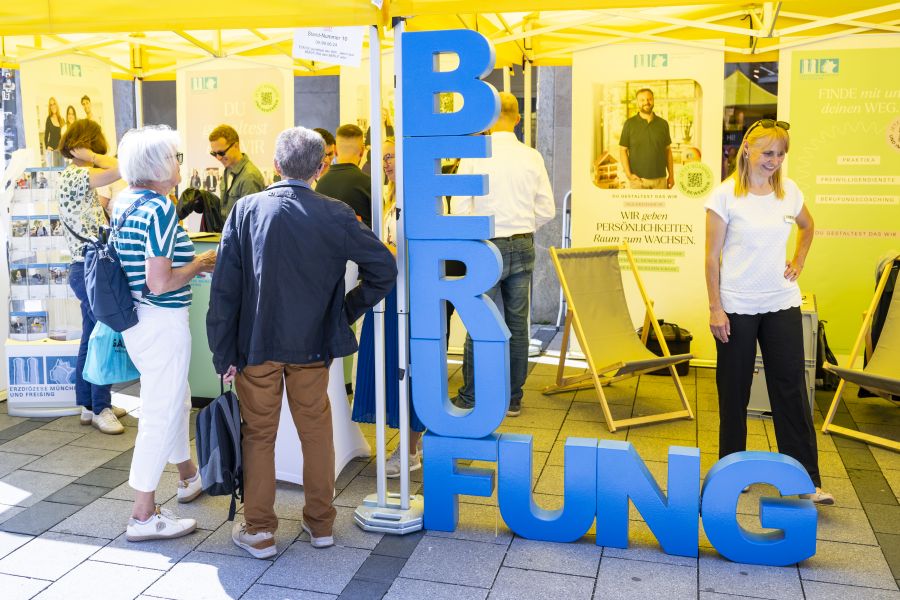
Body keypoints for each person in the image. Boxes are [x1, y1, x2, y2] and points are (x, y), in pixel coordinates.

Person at [207, 126, 396, 558]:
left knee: (259, 436)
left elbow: (225, 290)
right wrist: (343, 311)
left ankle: (259, 530)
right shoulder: (336, 213)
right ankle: (321, 523)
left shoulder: (246, 210)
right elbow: (384, 269)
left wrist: (222, 350)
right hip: (313, 344)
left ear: (275, 164)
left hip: (257, 345)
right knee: (316, 432)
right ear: (321, 166)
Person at [705, 119, 833, 505]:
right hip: (736, 306)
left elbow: (808, 227)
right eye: (768, 153)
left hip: (781, 302)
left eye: (780, 154)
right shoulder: (724, 196)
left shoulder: (789, 192)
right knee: (734, 391)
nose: (775, 161)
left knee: (790, 390)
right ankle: (732, 472)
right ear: (747, 149)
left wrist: (799, 259)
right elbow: (711, 258)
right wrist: (716, 308)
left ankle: (805, 480)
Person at [111, 125, 217, 541]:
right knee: (159, 410)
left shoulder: (124, 201)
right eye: (176, 157)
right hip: (161, 318)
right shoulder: (158, 208)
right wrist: (199, 263)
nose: (179, 164)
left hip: (138, 320)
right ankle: (143, 514)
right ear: (158, 164)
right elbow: (160, 282)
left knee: (176, 398)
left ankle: (188, 476)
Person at [449, 92, 556, 417]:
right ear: (518, 119)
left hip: (484, 247)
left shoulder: (474, 156)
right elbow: (547, 210)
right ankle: (513, 399)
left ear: (488, 117)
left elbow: (458, 209)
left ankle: (470, 396)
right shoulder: (532, 156)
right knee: (517, 324)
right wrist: (522, 224)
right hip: (522, 245)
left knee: (476, 320)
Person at [352, 138, 426, 476]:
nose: (386, 163)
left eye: (392, 156)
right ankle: (413, 442)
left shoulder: (416, 198)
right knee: (391, 367)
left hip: (406, 295)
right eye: (383, 158)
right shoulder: (391, 197)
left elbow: (403, 252)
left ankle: (410, 449)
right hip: (387, 292)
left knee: (406, 368)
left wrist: (372, 249)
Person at [57, 119, 126, 435]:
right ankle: (101, 407)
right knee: (104, 335)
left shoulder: (68, 177)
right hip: (90, 268)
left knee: (91, 333)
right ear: (84, 143)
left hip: (82, 267)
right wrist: (93, 156)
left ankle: (88, 403)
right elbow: (122, 167)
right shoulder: (80, 175)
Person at [314, 124, 372, 228]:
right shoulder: (369, 184)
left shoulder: (321, 185)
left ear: (335, 150)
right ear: (362, 151)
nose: (326, 159)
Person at [618, 88, 674, 190]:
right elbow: (623, 150)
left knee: (661, 206)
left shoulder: (663, 124)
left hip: (660, 180)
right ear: (637, 102)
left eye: (649, 99)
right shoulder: (629, 124)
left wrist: (671, 176)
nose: (646, 102)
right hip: (637, 181)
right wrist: (628, 174)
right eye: (642, 100)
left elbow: (668, 151)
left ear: (653, 100)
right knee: (637, 206)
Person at [208, 124, 265, 219]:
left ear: (236, 146)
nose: (218, 158)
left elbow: (250, 220)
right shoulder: (227, 170)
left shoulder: (250, 177)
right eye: (214, 153)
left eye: (221, 153)